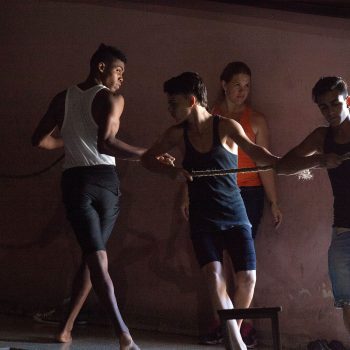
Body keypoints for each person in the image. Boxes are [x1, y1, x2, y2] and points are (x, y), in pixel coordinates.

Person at [141, 71, 283, 350]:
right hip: (203, 219)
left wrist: (287, 164)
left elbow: (257, 153)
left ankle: (234, 336)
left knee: (248, 278)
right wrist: (171, 172)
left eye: (173, 103)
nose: (169, 109)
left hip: (235, 214)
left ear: (191, 100)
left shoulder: (227, 127)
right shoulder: (176, 133)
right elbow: (148, 159)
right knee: (213, 275)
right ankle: (237, 344)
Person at [31, 43, 148, 350]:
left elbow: (39, 140)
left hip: (76, 182)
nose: (121, 78)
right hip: (104, 182)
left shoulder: (62, 98)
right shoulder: (111, 99)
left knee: (92, 256)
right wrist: (146, 154)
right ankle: (122, 333)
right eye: (118, 70)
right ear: (100, 67)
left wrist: (67, 140)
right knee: (97, 257)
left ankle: (66, 329)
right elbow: (106, 145)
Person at [208, 61, 282, 347]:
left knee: (243, 262)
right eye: (237, 84)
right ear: (224, 84)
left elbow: (265, 163)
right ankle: (230, 325)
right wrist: (188, 194)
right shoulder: (210, 115)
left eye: (247, 86)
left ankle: (239, 329)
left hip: (248, 194)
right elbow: (198, 155)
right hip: (216, 191)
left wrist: (274, 201)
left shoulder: (257, 120)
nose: (242, 91)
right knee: (221, 261)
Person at [278, 76, 350, 340]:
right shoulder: (322, 137)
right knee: (348, 303)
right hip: (343, 229)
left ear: (348, 100)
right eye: (323, 107)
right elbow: (283, 166)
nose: (330, 111)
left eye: (335, 104)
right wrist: (320, 160)